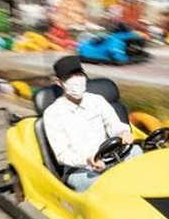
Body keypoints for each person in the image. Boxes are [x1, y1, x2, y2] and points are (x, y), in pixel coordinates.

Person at [44, 56, 142, 192]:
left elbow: (113, 124)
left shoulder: (97, 100)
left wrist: (123, 132)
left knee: (137, 152)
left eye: (78, 74)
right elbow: (62, 155)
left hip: (108, 157)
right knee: (104, 187)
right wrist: (87, 160)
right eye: (69, 78)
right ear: (59, 82)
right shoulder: (53, 113)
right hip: (80, 168)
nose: (76, 80)